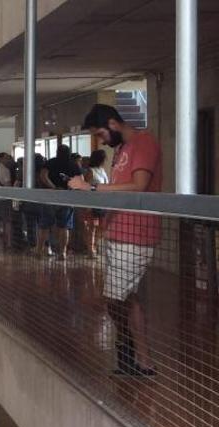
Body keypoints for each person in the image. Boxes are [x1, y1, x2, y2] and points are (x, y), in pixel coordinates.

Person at [68, 105, 162, 376]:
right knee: (126, 297)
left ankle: (131, 349)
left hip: (136, 234)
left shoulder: (144, 143)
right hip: (117, 231)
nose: (102, 140)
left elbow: (139, 185)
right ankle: (140, 358)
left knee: (114, 298)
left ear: (113, 123)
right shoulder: (121, 150)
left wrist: (91, 187)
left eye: (101, 133)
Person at [37, 144, 80, 260]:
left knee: (44, 225)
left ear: (57, 152)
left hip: (49, 197)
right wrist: (69, 189)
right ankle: (62, 253)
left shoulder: (50, 162)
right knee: (64, 226)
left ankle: (39, 251)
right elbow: (80, 181)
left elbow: (43, 176)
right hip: (66, 198)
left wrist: (53, 187)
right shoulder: (73, 164)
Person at [82, 149, 109, 258]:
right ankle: (90, 250)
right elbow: (86, 189)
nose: (105, 160)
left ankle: (94, 246)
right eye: (104, 158)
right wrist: (88, 205)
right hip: (93, 204)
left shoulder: (102, 170)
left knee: (101, 227)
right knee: (92, 227)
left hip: (103, 203)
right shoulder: (90, 171)